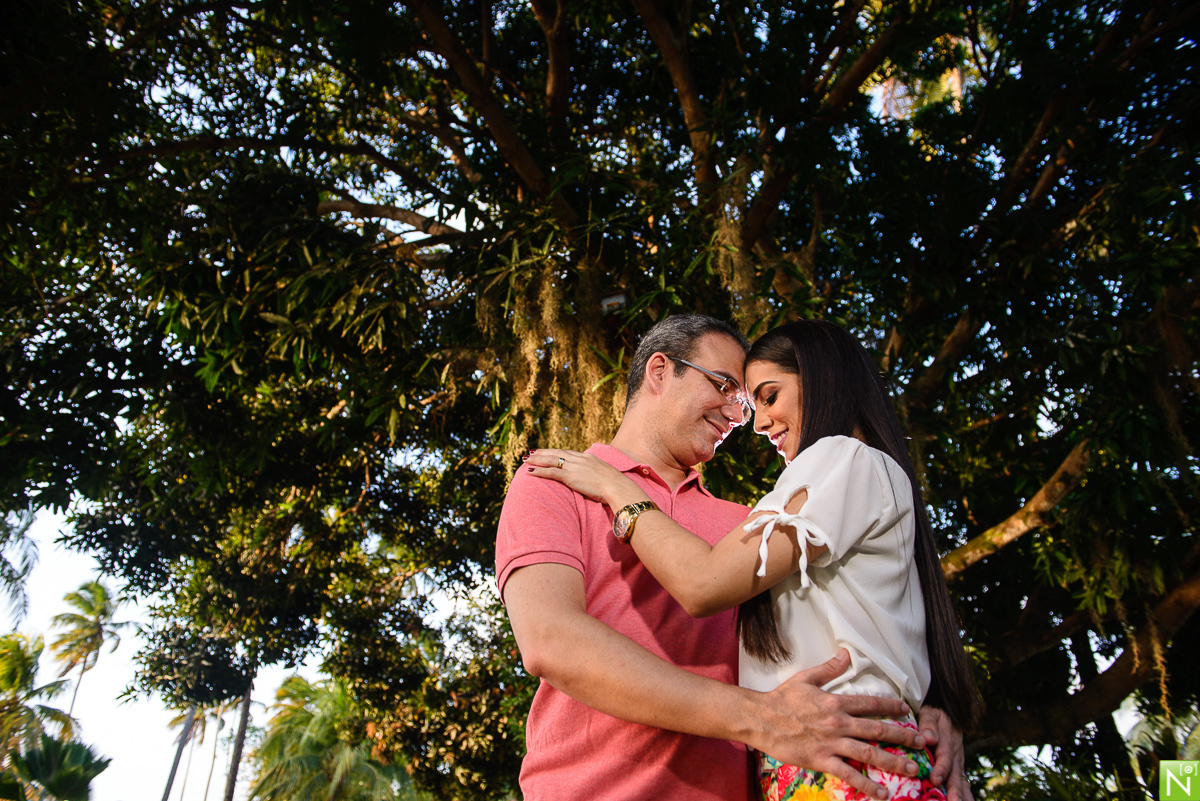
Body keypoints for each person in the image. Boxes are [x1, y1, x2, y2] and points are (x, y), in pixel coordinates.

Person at [497, 315, 972, 801]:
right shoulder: (555, 483)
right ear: (660, 371)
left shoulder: (749, 525)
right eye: (726, 386)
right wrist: (761, 718)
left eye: (748, 401)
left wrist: (931, 714)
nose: (739, 415)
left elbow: (866, 607)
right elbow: (552, 642)